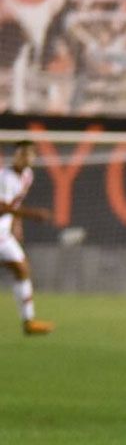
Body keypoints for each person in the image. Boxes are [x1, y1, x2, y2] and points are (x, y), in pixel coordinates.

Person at [0, 141, 55, 335]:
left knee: (22, 270)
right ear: (15, 156)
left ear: (33, 158)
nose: (24, 158)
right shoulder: (4, 177)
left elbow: (15, 204)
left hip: (3, 235)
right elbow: (2, 207)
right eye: (21, 154)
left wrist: (16, 225)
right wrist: (32, 214)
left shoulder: (27, 176)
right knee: (21, 269)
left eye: (28, 154)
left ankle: (28, 322)